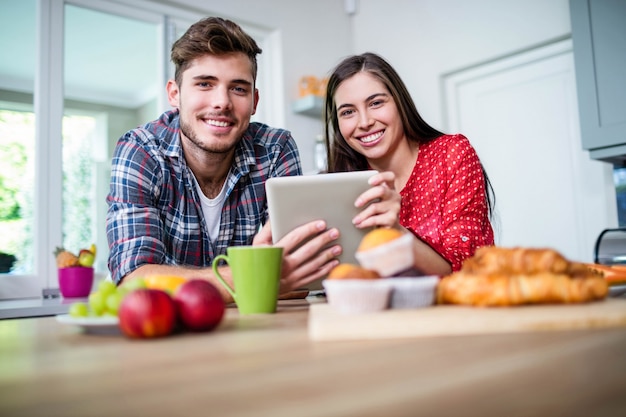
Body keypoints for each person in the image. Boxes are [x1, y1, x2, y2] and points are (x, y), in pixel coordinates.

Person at [106, 17, 341, 300]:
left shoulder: (275, 149)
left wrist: (277, 276)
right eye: (205, 84)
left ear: (254, 101)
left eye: (238, 88)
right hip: (167, 332)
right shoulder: (141, 151)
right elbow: (133, 281)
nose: (222, 102)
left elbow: (299, 279)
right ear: (175, 93)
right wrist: (257, 275)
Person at [323, 52, 495, 276]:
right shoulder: (338, 183)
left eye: (376, 103)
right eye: (348, 112)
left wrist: (396, 233)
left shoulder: (452, 154)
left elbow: (466, 268)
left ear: (399, 102)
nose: (364, 122)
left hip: (457, 309)